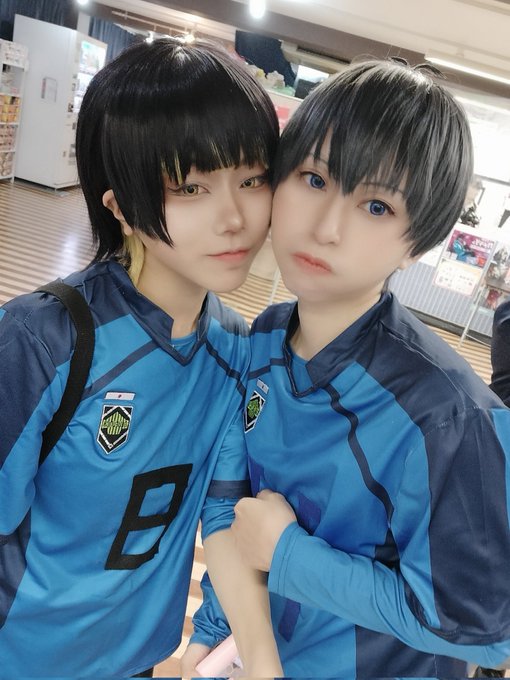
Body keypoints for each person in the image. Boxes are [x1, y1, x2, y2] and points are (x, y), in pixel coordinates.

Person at [185, 58, 510, 677]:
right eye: (313, 179)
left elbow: (483, 628)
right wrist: (217, 626)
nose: (326, 228)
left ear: (419, 242)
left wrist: (289, 555)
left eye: (377, 207)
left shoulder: (448, 417)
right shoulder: (266, 336)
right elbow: (239, 506)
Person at [0, 38, 282, 677]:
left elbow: (224, 513)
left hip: (139, 661)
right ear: (122, 207)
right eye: (191, 186)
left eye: (252, 178)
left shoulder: (236, 349)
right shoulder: (45, 339)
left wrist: (252, 654)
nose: (235, 217)